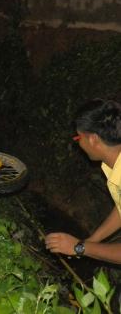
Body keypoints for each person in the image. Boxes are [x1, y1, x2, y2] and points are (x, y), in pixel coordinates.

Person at [45, 99, 121, 264]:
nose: (77, 142)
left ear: (93, 139)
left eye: (78, 137)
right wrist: (92, 240)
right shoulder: (114, 165)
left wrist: (80, 247)